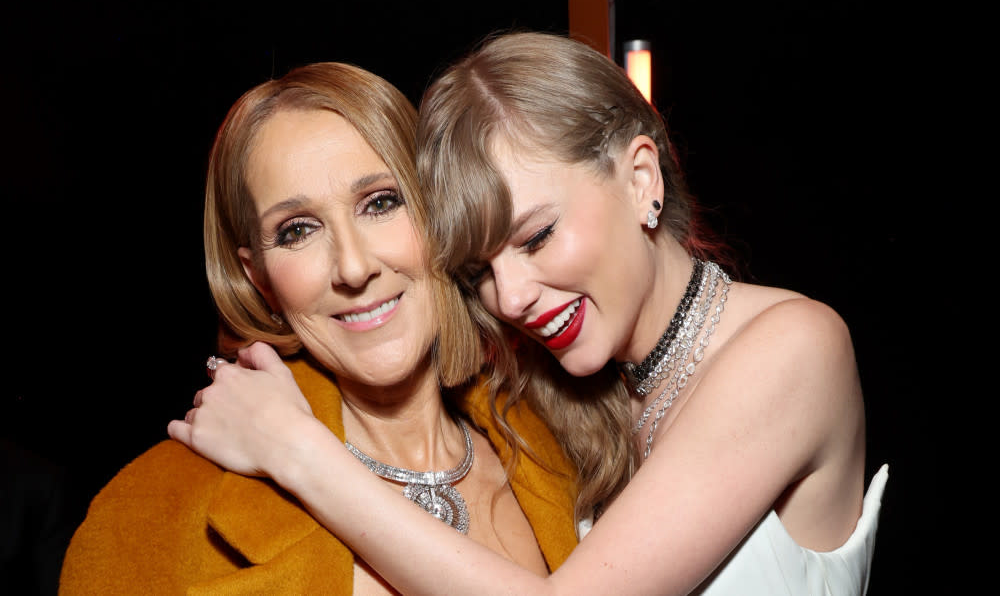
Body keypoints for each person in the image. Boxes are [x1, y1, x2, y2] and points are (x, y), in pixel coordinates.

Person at [169, 32, 888, 595]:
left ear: (641, 179)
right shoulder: (553, 400)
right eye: (479, 269)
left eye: (537, 236)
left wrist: (297, 451)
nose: (510, 300)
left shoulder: (795, 348)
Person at [58, 61, 580, 595]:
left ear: (439, 213)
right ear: (258, 278)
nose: (353, 268)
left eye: (381, 202)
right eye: (297, 231)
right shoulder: (149, 514)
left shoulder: (566, 443)